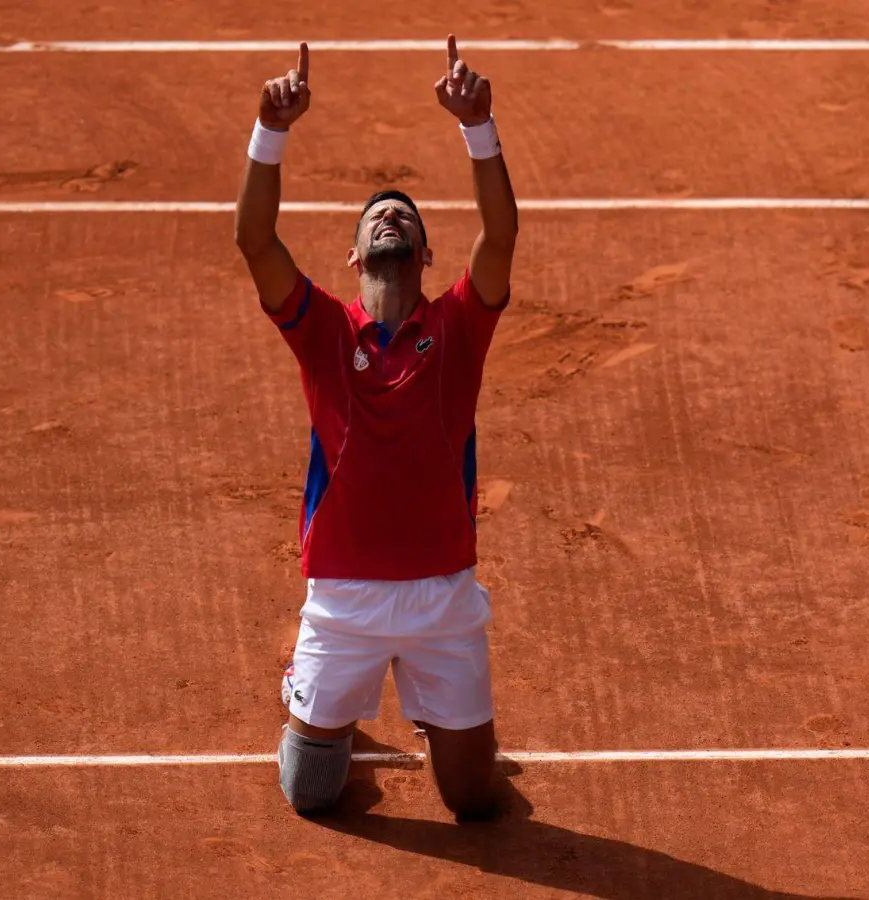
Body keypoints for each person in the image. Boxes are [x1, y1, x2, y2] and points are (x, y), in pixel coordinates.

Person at [234, 35, 518, 820]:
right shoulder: (322, 328)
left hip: (442, 598)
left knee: (473, 801)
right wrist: (271, 131)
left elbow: (500, 238)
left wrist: (478, 128)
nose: (388, 216)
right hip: (344, 601)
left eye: (402, 216)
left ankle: (445, 733)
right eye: (375, 216)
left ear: (426, 254)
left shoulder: (459, 325)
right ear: (353, 257)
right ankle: (315, 700)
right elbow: (255, 242)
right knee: (311, 794)